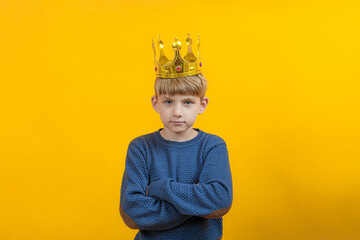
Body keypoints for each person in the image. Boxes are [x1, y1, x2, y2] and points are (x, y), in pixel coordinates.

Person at [119, 34, 233, 240]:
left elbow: (220, 201)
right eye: (169, 102)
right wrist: (196, 202)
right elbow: (131, 213)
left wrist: (161, 188)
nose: (177, 112)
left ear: (202, 104)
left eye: (187, 102)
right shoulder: (140, 148)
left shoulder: (213, 146)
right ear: (156, 103)